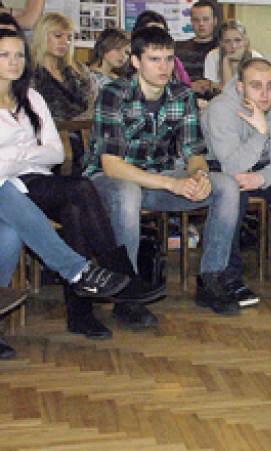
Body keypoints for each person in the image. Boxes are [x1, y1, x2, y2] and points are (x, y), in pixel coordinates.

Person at [0, 28, 159, 344]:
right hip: (8, 189)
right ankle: (113, 280)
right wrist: (26, 152)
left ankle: (83, 307)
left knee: (77, 200)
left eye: (19, 55)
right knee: (77, 194)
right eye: (4, 55)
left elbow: (55, 153)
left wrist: (11, 154)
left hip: (35, 182)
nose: (14, 61)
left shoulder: (31, 98)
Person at [86, 25, 242, 316]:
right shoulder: (114, 93)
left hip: (159, 178)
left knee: (227, 186)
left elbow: (194, 152)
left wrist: (200, 176)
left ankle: (212, 278)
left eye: (169, 59)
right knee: (128, 192)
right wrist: (172, 185)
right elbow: (112, 165)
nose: (164, 67)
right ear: (135, 61)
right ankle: (126, 291)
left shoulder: (182, 94)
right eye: (154, 59)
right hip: (109, 181)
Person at [202, 56, 271, 305]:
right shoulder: (221, 108)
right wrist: (261, 133)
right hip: (222, 166)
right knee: (233, 192)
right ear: (240, 86)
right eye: (256, 86)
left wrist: (262, 177)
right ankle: (229, 276)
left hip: (262, 167)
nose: (265, 94)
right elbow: (232, 165)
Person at [30, 12, 93, 120]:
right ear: (42, 37)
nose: (65, 42)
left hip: (84, 128)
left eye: (69, 38)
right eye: (58, 36)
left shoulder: (79, 70)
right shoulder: (28, 73)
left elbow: (94, 103)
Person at [174, 0, 219, 98]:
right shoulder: (178, 49)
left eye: (206, 19)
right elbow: (169, 82)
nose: (201, 24)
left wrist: (213, 85)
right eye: (196, 20)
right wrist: (189, 86)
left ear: (215, 21)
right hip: (185, 101)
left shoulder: (222, 50)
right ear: (191, 22)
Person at [205, 19, 263, 90]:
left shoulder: (256, 58)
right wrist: (226, 60)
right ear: (221, 43)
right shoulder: (212, 57)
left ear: (245, 41)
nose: (233, 46)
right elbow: (228, 92)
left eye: (238, 40)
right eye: (227, 41)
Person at [88, 28, 130, 95]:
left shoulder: (116, 78)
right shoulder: (90, 78)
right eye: (117, 49)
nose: (123, 55)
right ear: (103, 47)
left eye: (127, 52)